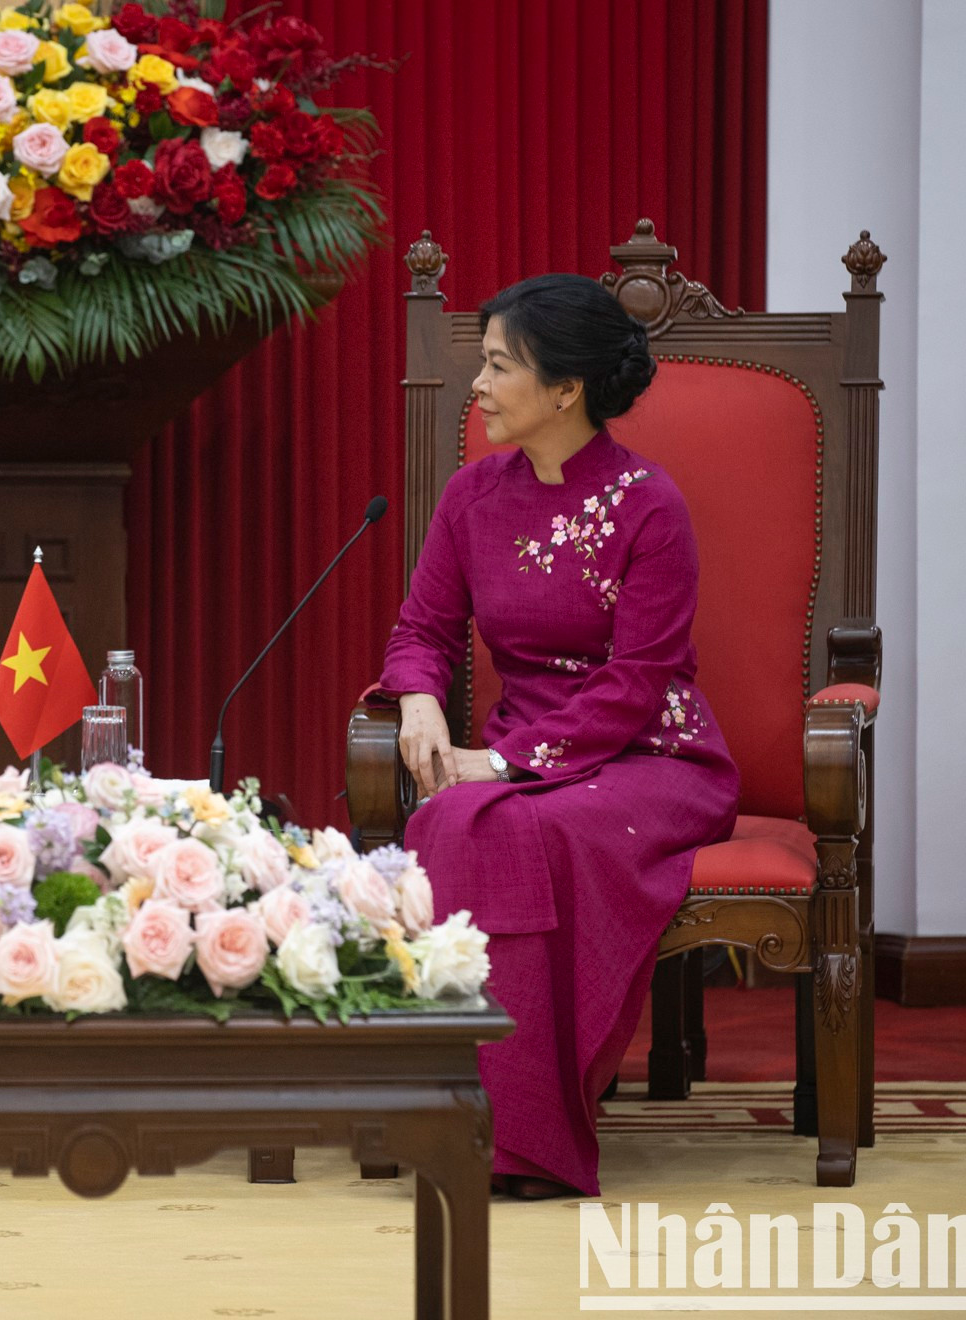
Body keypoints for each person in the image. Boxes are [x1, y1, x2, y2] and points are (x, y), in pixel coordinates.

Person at [374, 274, 739, 1198]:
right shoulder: (471, 496)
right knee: (446, 826)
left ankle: (531, 1139)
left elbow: (635, 684)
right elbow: (421, 631)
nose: (480, 386)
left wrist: (496, 761)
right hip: (527, 750)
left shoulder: (650, 506)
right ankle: (458, 1119)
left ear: (566, 388)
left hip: (651, 757)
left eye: (500, 366)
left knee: (518, 823)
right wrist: (418, 701)